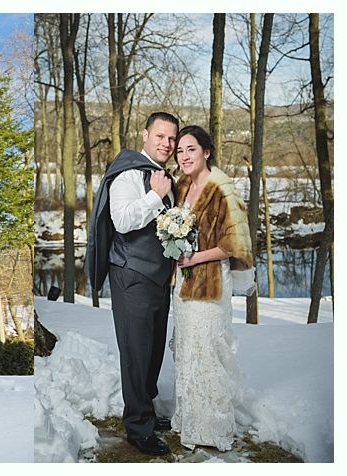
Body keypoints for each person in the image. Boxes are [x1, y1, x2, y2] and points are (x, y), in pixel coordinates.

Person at [84, 111, 179, 456]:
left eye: (171, 138)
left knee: (152, 351)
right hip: (131, 274)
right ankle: (138, 427)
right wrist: (155, 196)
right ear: (144, 135)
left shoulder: (164, 177)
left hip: (158, 276)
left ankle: (147, 411)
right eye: (160, 136)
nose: (167, 143)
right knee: (136, 352)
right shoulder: (127, 174)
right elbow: (122, 221)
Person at [171, 125, 253, 451]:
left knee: (208, 351)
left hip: (210, 282)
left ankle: (214, 427)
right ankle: (190, 421)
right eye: (179, 151)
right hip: (182, 285)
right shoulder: (181, 187)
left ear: (206, 152)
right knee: (187, 351)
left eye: (191, 149)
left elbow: (233, 244)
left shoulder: (223, 190)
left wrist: (195, 258)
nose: (184, 156)